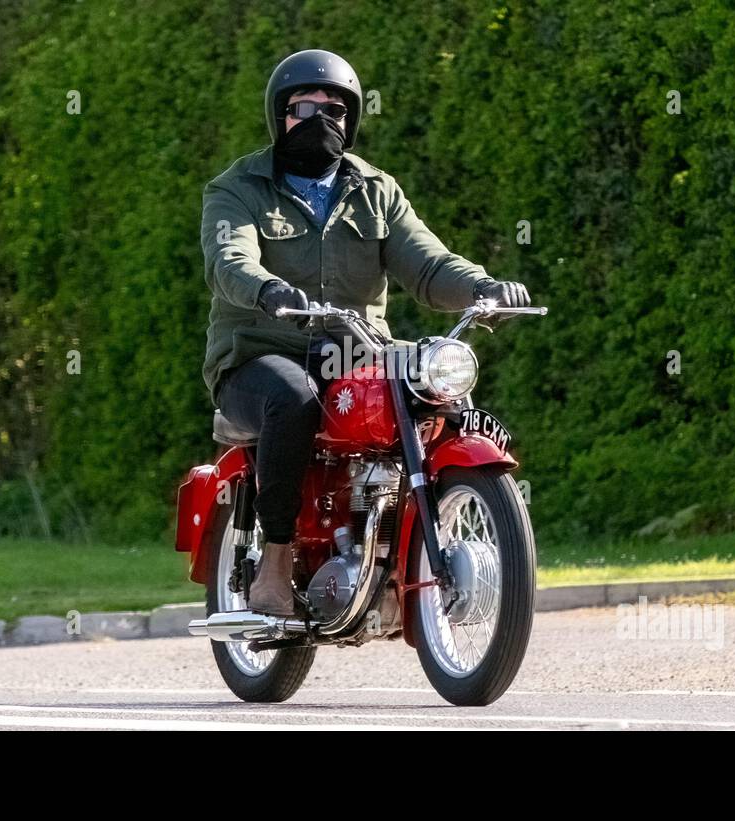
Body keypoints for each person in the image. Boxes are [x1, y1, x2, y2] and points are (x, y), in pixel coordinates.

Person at [200, 49, 530, 616]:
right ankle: (275, 564)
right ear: (279, 115)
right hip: (260, 355)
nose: (320, 119)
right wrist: (267, 290)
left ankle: (418, 531)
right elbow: (229, 259)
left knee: (438, 383)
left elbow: (427, 264)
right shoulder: (239, 188)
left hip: (356, 350)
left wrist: (483, 288)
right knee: (293, 399)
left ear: (352, 118)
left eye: (335, 108)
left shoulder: (375, 190)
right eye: (304, 107)